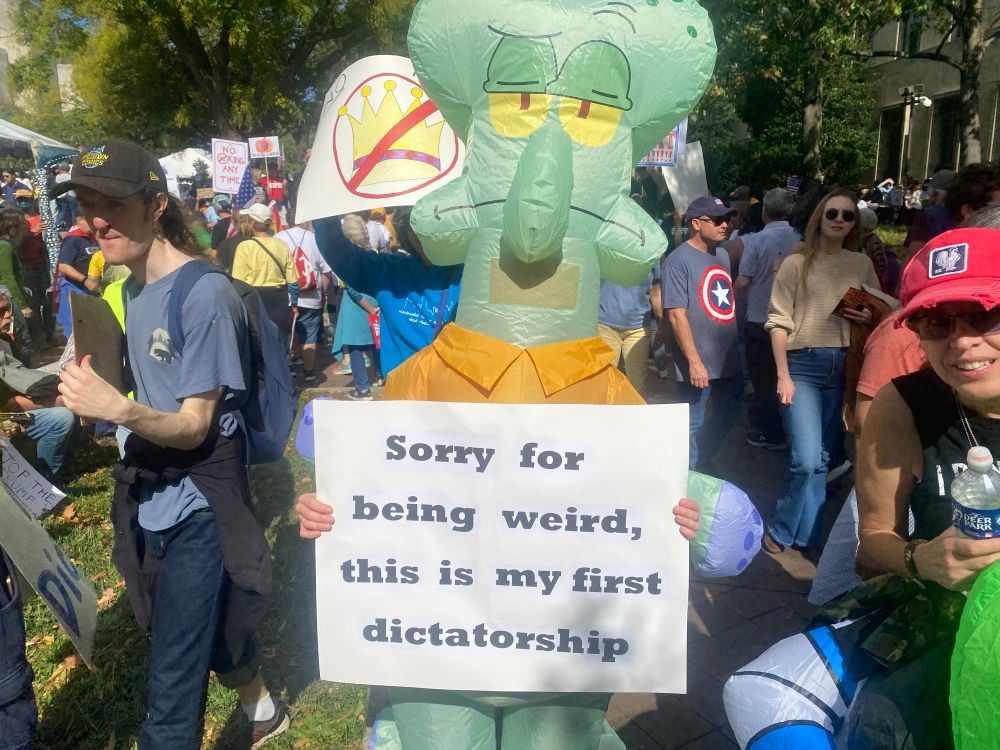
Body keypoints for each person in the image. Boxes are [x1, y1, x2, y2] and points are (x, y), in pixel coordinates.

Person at [52, 139, 288, 749]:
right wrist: (91, 390)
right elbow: (151, 383)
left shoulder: (204, 293)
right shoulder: (127, 290)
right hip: (151, 488)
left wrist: (119, 408)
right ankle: (262, 709)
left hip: (200, 501)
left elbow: (194, 426)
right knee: (197, 622)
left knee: (172, 680)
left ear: (157, 204)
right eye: (86, 204)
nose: (97, 218)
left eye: (114, 202)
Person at [836, 227, 1000, 747]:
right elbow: (874, 541)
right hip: (952, 633)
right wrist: (920, 560)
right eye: (937, 322)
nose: (962, 341)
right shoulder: (901, 404)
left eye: (985, 315)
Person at [763, 190, 880, 553]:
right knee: (806, 458)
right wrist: (782, 374)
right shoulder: (795, 264)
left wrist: (867, 314)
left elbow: (878, 307)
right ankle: (783, 529)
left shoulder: (860, 264)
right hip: (803, 364)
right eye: (833, 213)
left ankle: (809, 534)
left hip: (844, 364)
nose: (840, 220)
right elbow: (778, 322)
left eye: (847, 215)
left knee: (823, 459)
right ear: (819, 217)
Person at [313, 209, 462, 377]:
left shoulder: (469, 272)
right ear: (407, 232)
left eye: (436, 224)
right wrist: (326, 205)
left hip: (455, 385)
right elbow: (337, 251)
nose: (425, 233)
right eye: (416, 225)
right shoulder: (389, 269)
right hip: (404, 387)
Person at [663, 195, 742, 471]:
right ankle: (687, 478)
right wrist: (694, 361)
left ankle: (702, 460)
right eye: (718, 220)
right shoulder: (677, 261)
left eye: (727, 220)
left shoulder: (721, 256)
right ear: (696, 223)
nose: (725, 225)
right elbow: (675, 315)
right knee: (691, 422)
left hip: (726, 357)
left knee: (730, 410)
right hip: (698, 361)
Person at [734, 188, 800, 450]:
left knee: (763, 380)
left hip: (760, 318)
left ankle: (770, 432)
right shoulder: (801, 239)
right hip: (793, 321)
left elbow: (743, 280)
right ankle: (794, 431)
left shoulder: (757, 242)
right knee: (790, 377)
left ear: (764, 212)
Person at [230, 203, 298, 348]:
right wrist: (294, 304)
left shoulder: (245, 247)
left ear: (253, 222)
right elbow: (293, 280)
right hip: (280, 297)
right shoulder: (281, 245)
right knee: (280, 340)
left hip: (255, 298)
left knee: (259, 341)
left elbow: (238, 282)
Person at [274, 220, 332, 383]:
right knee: (310, 335)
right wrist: (323, 294)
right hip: (311, 296)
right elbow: (325, 272)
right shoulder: (315, 239)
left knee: (287, 332)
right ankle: (309, 371)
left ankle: (289, 366)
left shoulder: (278, 238)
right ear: (305, 221)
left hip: (285, 296)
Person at [331, 215, 382, 399]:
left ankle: (362, 388)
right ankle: (380, 377)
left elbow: (350, 289)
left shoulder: (348, 258)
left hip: (356, 308)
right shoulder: (376, 253)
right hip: (375, 304)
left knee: (354, 348)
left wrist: (368, 307)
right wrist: (374, 307)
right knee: (376, 343)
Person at [598, 268, 660, 397]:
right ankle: (606, 416)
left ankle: (632, 415)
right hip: (605, 323)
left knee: (637, 386)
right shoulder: (602, 246)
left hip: (638, 326)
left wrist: (662, 326)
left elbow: (657, 289)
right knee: (604, 383)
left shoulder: (653, 249)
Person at [16, 190, 54, 346]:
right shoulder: (16, 220)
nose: (22, 203)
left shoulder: (42, 217)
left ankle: (50, 335)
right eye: (20, 200)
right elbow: (14, 244)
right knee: (33, 304)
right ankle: (40, 338)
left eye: (25, 199)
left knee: (48, 302)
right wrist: (32, 232)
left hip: (43, 267)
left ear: (32, 200)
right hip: (27, 268)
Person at [56, 210, 98, 339]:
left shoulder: (92, 239)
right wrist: (85, 280)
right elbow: (63, 266)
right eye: (90, 220)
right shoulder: (72, 239)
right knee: (76, 333)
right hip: (75, 289)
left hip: (92, 291)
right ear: (80, 220)